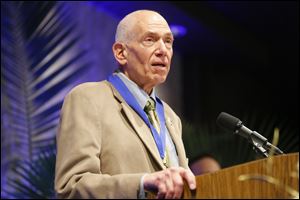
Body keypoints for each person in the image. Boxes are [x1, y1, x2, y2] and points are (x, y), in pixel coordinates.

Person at [54, 10, 196, 199]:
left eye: (168, 41)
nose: (163, 50)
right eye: (150, 40)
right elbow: (72, 186)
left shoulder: (170, 117)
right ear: (121, 53)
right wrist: (142, 183)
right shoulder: (88, 98)